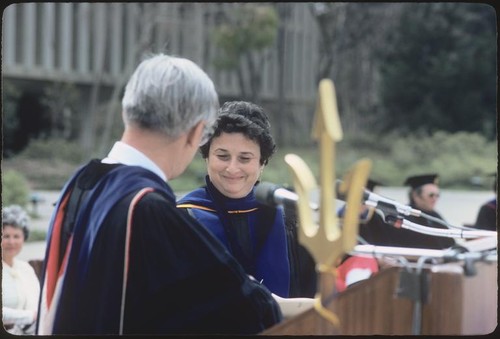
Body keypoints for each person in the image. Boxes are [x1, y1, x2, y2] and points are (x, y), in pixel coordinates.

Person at [36, 54, 281, 335]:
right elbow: (250, 312)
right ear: (196, 132)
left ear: (127, 111)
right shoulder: (147, 210)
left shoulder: (82, 183)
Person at [177, 101, 292, 298]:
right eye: (222, 156)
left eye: (245, 158)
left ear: (262, 163)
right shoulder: (182, 218)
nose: (232, 168)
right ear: (206, 157)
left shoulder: (288, 217)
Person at [2, 205, 40, 335]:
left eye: (16, 236)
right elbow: (34, 315)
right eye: (6, 236)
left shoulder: (26, 268)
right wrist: (29, 317)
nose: (11, 242)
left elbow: (37, 306)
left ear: (24, 238)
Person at [398, 173, 455, 249]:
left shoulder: (434, 215)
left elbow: (450, 242)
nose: (435, 199)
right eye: (431, 195)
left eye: (437, 195)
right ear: (416, 196)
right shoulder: (405, 217)